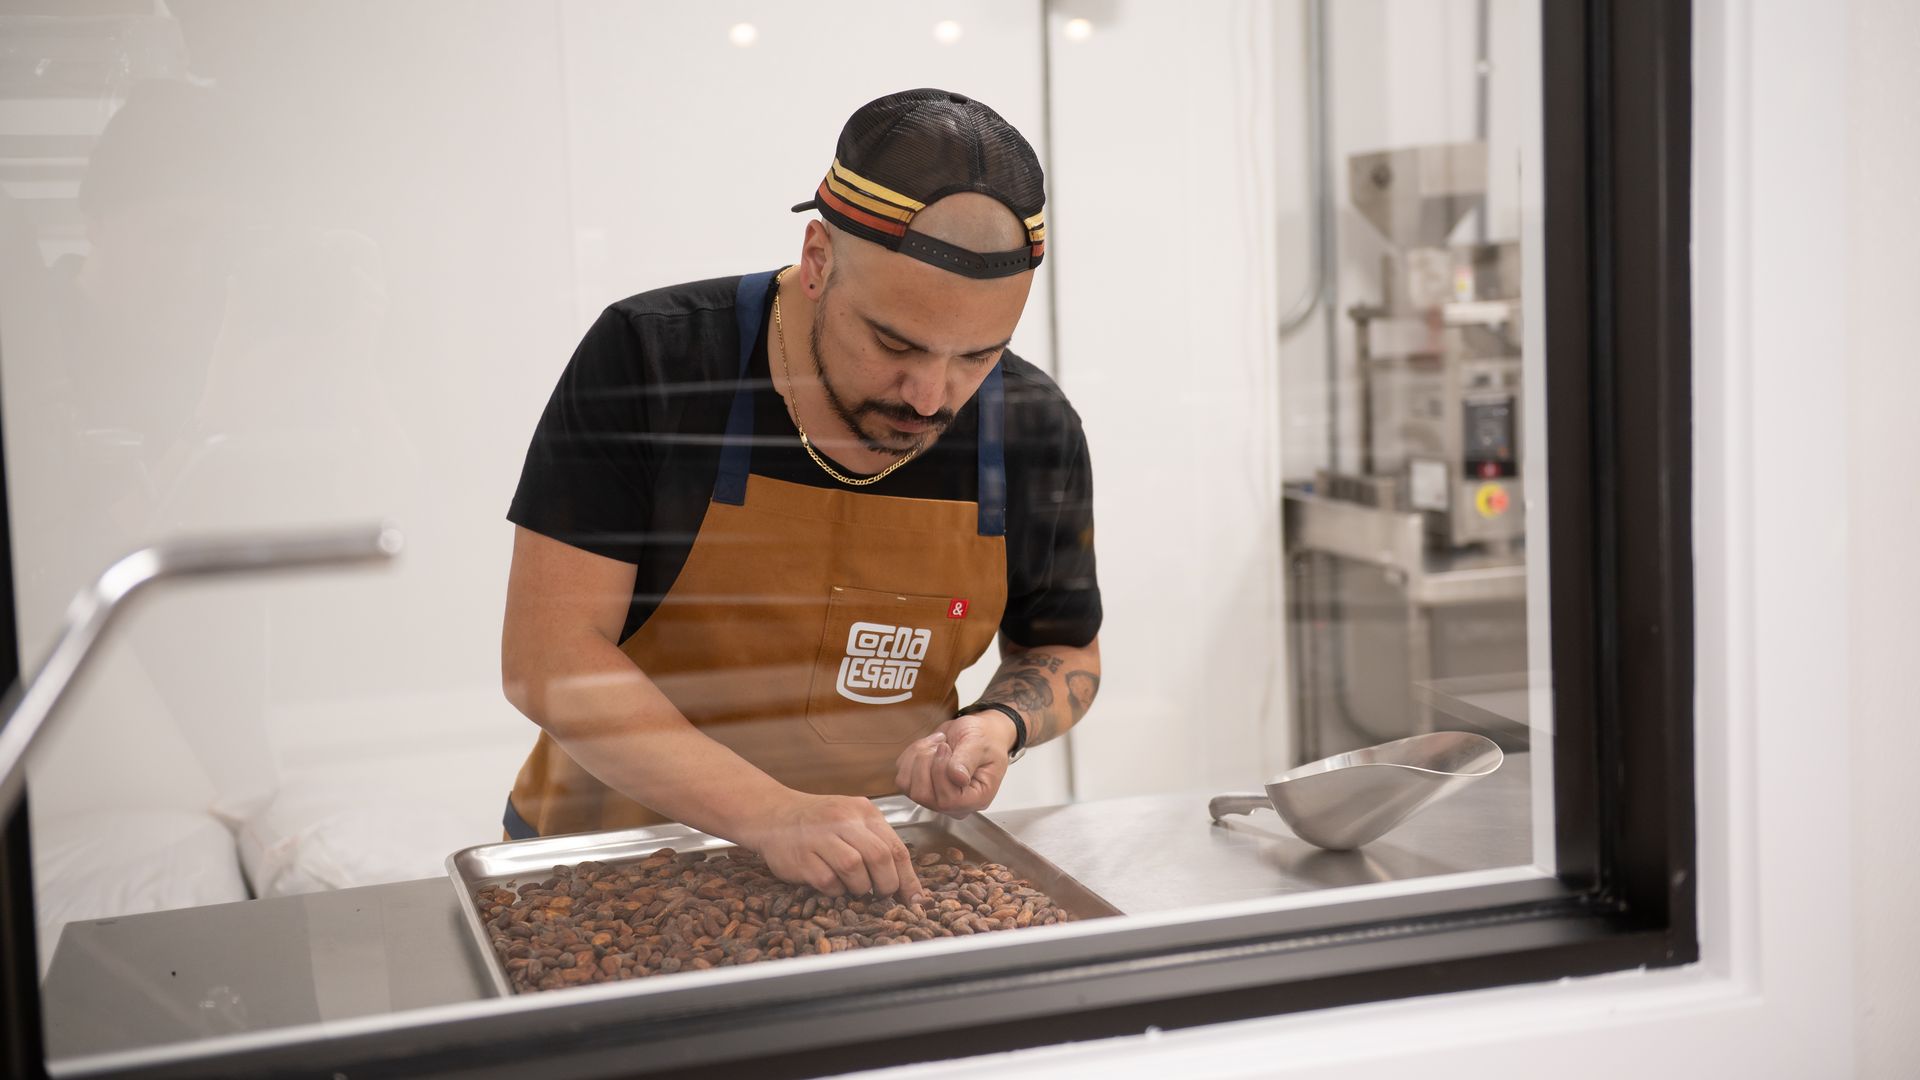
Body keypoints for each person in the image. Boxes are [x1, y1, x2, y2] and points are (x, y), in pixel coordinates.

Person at [501, 89, 1102, 901]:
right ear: (817, 258)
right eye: (895, 342)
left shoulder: (1031, 427)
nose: (929, 396)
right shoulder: (656, 361)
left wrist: (998, 725)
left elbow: (1064, 649)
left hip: (870, 882)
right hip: (609, 874)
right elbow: (548, 659)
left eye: (977, 356)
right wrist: (770, 814)